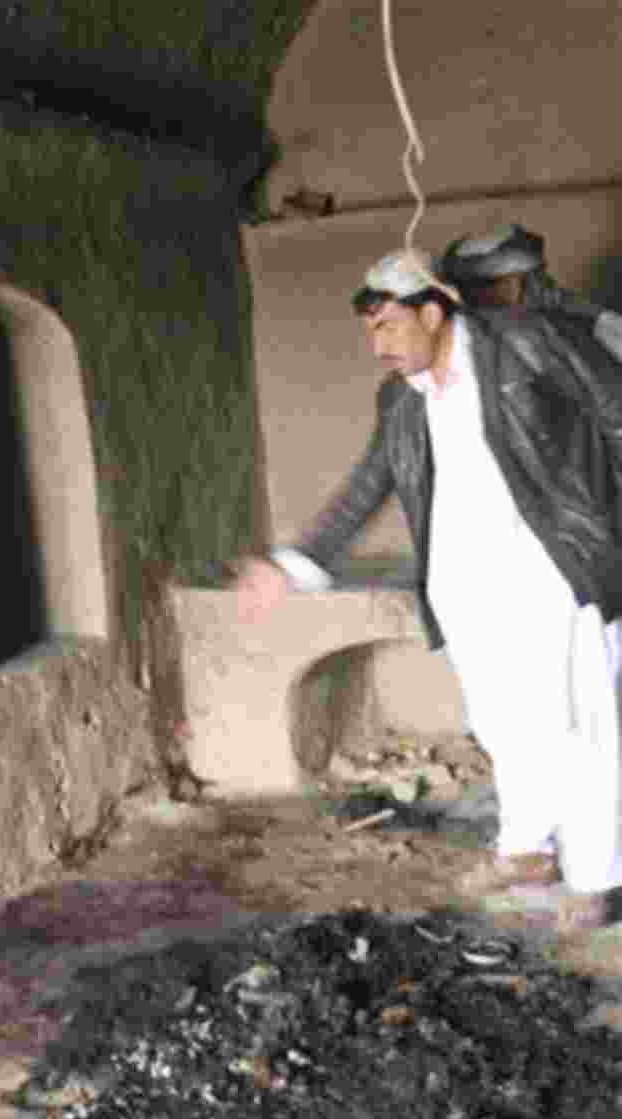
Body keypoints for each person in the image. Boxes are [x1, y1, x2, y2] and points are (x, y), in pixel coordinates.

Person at [229, 248, 622, 933]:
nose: (378, 345)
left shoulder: (526, 345)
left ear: (434, 311)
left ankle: (595, 875)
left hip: (549, 571)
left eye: (388, 326)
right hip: (466, 583)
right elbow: (368, 486)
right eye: (371, 331)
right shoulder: (402, 400)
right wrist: (292, 564)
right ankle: (527, 848)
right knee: (502, 722)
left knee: (573, 723)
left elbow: (614, 410)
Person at [440, 222, 622, 360]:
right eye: (524, 281)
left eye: (538, 276)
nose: (539, 287)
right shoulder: (462, 347)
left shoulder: (585, 326)